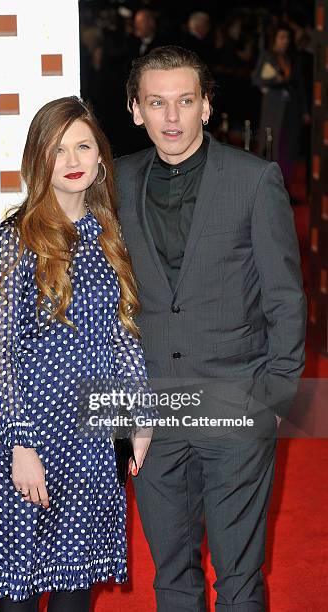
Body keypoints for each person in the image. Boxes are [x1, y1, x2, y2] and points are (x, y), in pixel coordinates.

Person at [115, 46, 306, 611]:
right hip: (151, 414)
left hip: (236, 403)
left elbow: (286, 300)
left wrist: (274, 400)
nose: (171, 118)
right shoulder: (117, 182)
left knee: (239, 579)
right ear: (135, 110)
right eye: (156, 103)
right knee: (171, 575)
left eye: (184, 101)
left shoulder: (255, 180)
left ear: (206, 107)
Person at [0, 97, 153, 611]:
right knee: (19, 593)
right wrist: (20, 445)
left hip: (94, 441)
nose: (72, 159)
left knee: (75, 595)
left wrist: (139, 419)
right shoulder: (15, 239)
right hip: (35, 437)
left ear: (99, 157)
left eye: (83, 145)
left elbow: (124, 335)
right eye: (57, 149)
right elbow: (0, 353)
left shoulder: (109, 235)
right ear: (37, 159)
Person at [253, 23, 309, 196]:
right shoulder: (267, 56)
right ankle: (268, 188)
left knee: (290, 147)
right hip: (274, 108)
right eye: (281, 37)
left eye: (287, 38)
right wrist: (276, 80)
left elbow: (300, 87)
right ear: (275, 39)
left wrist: (305, 111)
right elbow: (256, 79)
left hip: (292, 108)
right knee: (273, 145)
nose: (285, 41)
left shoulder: (292, 58)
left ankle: (286, 189)